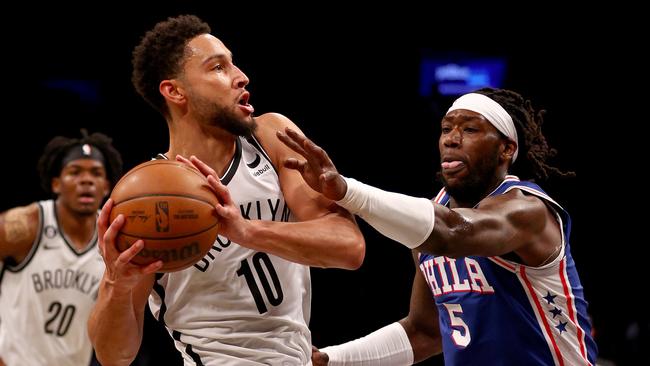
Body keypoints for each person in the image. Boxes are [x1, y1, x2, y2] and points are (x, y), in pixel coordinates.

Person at [87, 14, 365, 366]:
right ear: (174, 91)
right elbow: (115, 356)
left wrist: (247, 231)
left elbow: (349, 247)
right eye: (218, 67)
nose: (241, 76)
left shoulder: (271, 137)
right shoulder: (146, 198)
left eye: (233, 63)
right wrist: (117, 283)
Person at [278, 87, 598, 365]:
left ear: (506, 149)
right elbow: (425, 332)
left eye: (470, 130)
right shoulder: (430, 219)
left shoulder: (527, 211)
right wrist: (331, 359)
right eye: (446, 129)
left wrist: (348, 192)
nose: (452, 140)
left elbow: (454, 232)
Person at [0, 130, 123, 366]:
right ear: (56, 184)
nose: (86, 180)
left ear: (106, 186)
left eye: (96, 173)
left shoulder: (113, 240)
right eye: (75, 172)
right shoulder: (26, 225)